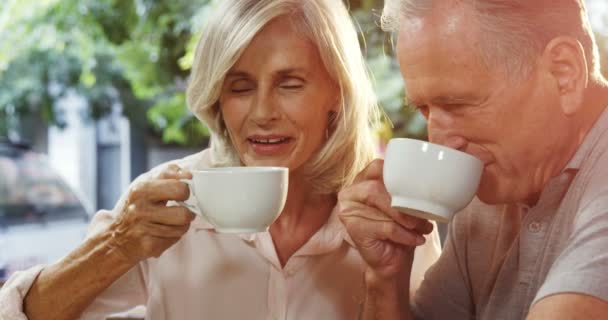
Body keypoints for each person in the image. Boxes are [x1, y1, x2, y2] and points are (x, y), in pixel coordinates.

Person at [0, 0, 442, 319]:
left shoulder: (388, 213)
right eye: (240, 86)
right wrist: (117, 244)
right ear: (217, 98)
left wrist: (384, 281)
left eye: (289, 83)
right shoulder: (164, 201)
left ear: (337, 95)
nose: (262, 112)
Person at [339, 0, 608, 319]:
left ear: (564, 73)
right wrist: (385, 279)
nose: (440, 142)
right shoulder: (493, 190)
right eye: (424, 110)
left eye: (458, 106)